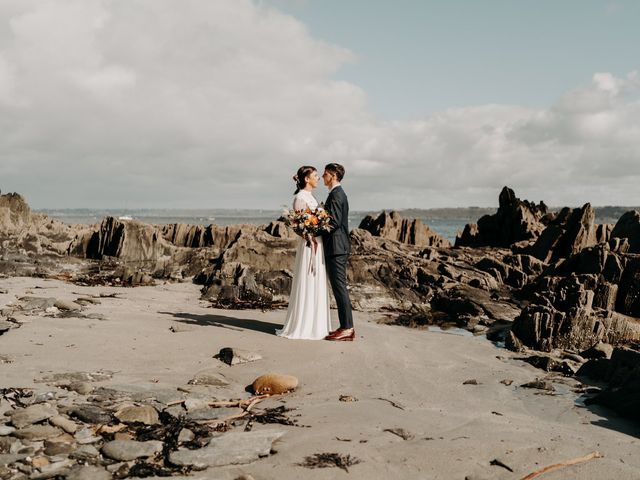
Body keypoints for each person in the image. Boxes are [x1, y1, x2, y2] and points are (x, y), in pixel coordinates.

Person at [276, 166, 331, 339]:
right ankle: (305, 325)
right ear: (307, 179)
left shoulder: (310, 196)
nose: (318, 178)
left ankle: (317, 324)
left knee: (317, 280)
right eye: (315, 176)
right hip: (310, 245)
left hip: (318, 243)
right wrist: (312, 231)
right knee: (309, 280)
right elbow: (300, 226)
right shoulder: (300, 198)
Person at [321, 163, 355, 341]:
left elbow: (332, 224)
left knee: (339, 287)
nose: (322, 176)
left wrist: (312, 231)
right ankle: (345, 326)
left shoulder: (336, 195)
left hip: (336, 247)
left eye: (325, 173)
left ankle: (347, 328)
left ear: (333, 175)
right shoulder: (337, 194)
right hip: (338, 246)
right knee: (339, 287)